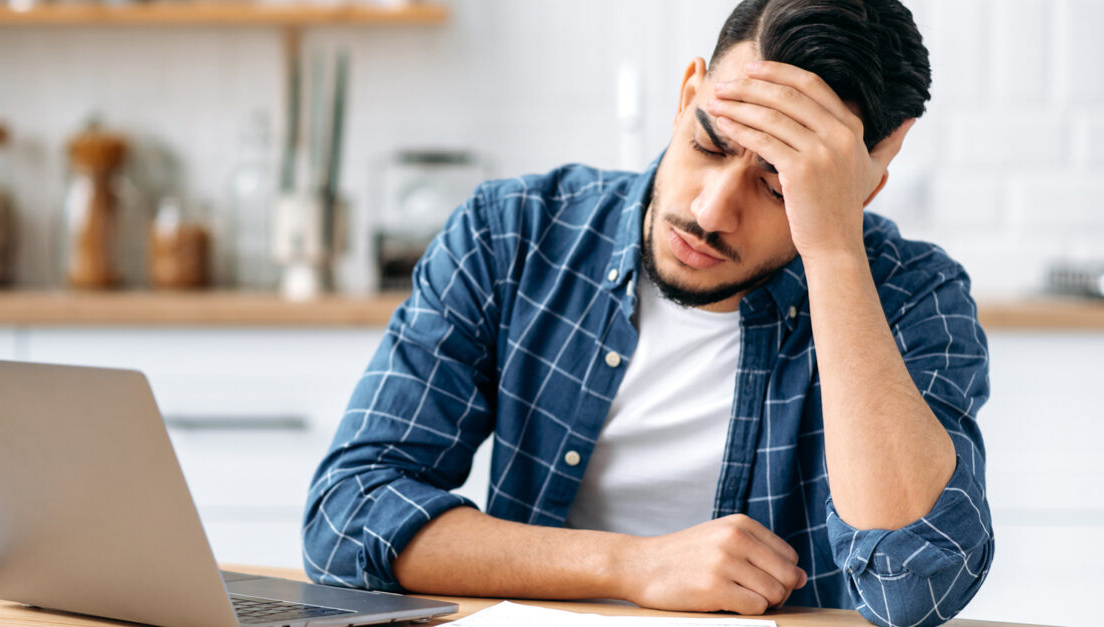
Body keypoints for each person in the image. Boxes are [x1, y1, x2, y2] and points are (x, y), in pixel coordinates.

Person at [304, 1, 992, 625]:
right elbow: (347, 517)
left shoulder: (913, 295)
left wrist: (835, 251)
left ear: (862, 188)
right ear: (688, 94)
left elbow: (914, 589)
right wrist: (633, 565)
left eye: (779, 187)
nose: (711, 211)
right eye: (710, 144)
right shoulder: (513, 233)